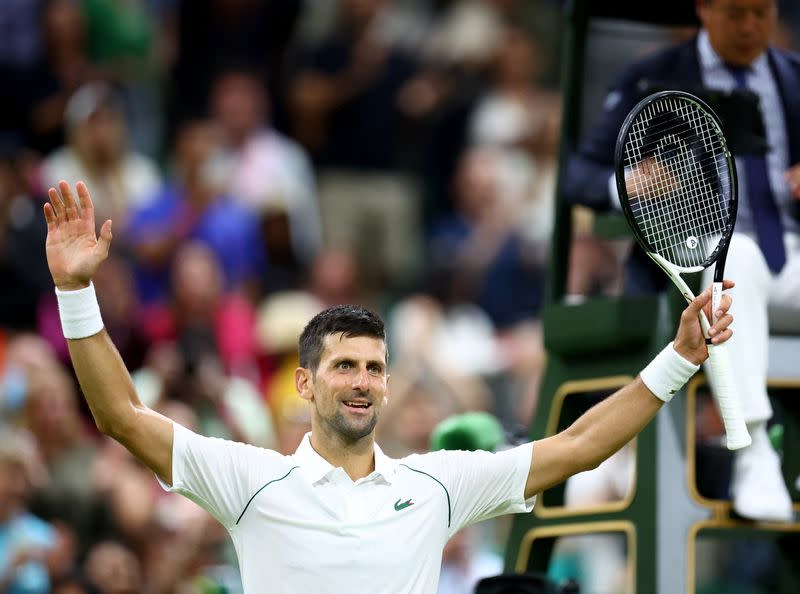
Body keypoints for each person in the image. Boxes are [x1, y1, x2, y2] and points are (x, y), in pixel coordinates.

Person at [42, 180, 735, 593]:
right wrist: (76, 291)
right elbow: (122, 415)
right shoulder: (247, 478)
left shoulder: (438, 485)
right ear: (305, 384)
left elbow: (579, 445)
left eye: (375, 368)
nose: (363, 381)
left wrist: (678, 357)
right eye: (345, 366)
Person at [564, 0, 800, 522]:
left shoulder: (795, 77)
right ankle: (754, 451)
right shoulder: (652, 78)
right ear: (705, 10)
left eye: (761, 13)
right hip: (701, 261)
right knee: (733, 257)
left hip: (793, 258)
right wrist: (626, 183)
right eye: (736, 13)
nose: (750, 27)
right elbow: (577, 175)